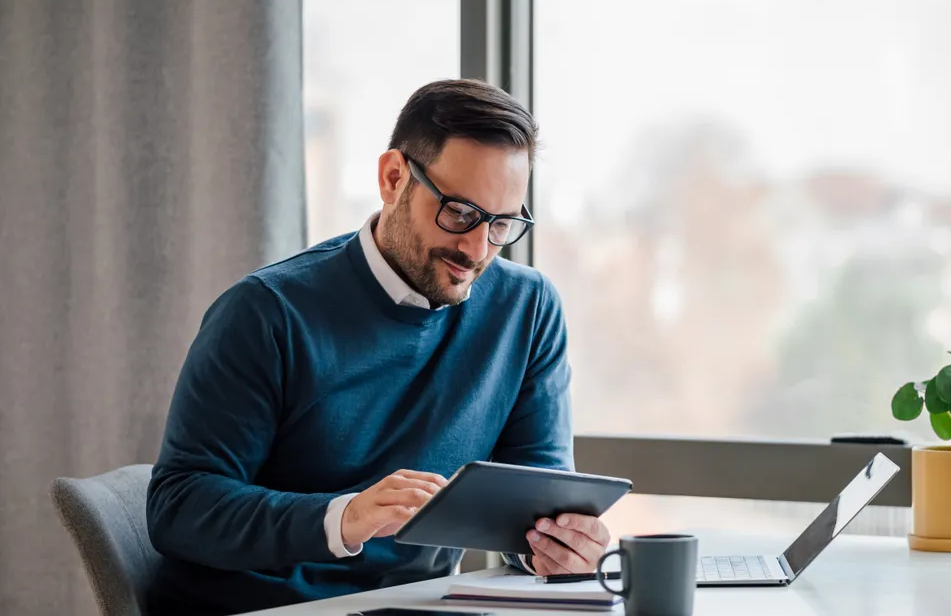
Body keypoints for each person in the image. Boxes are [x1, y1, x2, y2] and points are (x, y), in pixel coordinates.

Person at [145, 79, 610, 616]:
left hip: (416, 607)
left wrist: (557, 548)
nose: (478, 249)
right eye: (459, 213)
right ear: (393, 179)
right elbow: (177, 508)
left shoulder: (527, 311)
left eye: (502, 223)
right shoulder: (266, 312)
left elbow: (536, 504)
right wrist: (344, 517)